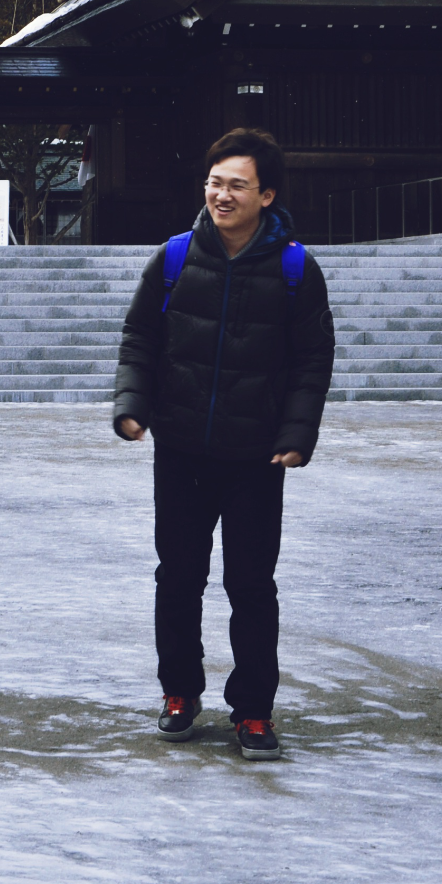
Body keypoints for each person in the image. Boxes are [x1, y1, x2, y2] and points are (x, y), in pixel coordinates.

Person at [112, 127, 334, 762]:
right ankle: (179, 693)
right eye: (214, 183)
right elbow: (139, 340)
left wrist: (296, 435)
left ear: (266, 195)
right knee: (178, 577)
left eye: (237, 185)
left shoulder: (295, 268)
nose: (222, 195)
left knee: (251, 585)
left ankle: (254, 710)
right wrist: (132, 407)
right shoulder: (175, 257)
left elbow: (312, 360)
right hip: (181, 449)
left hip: (256, 458)